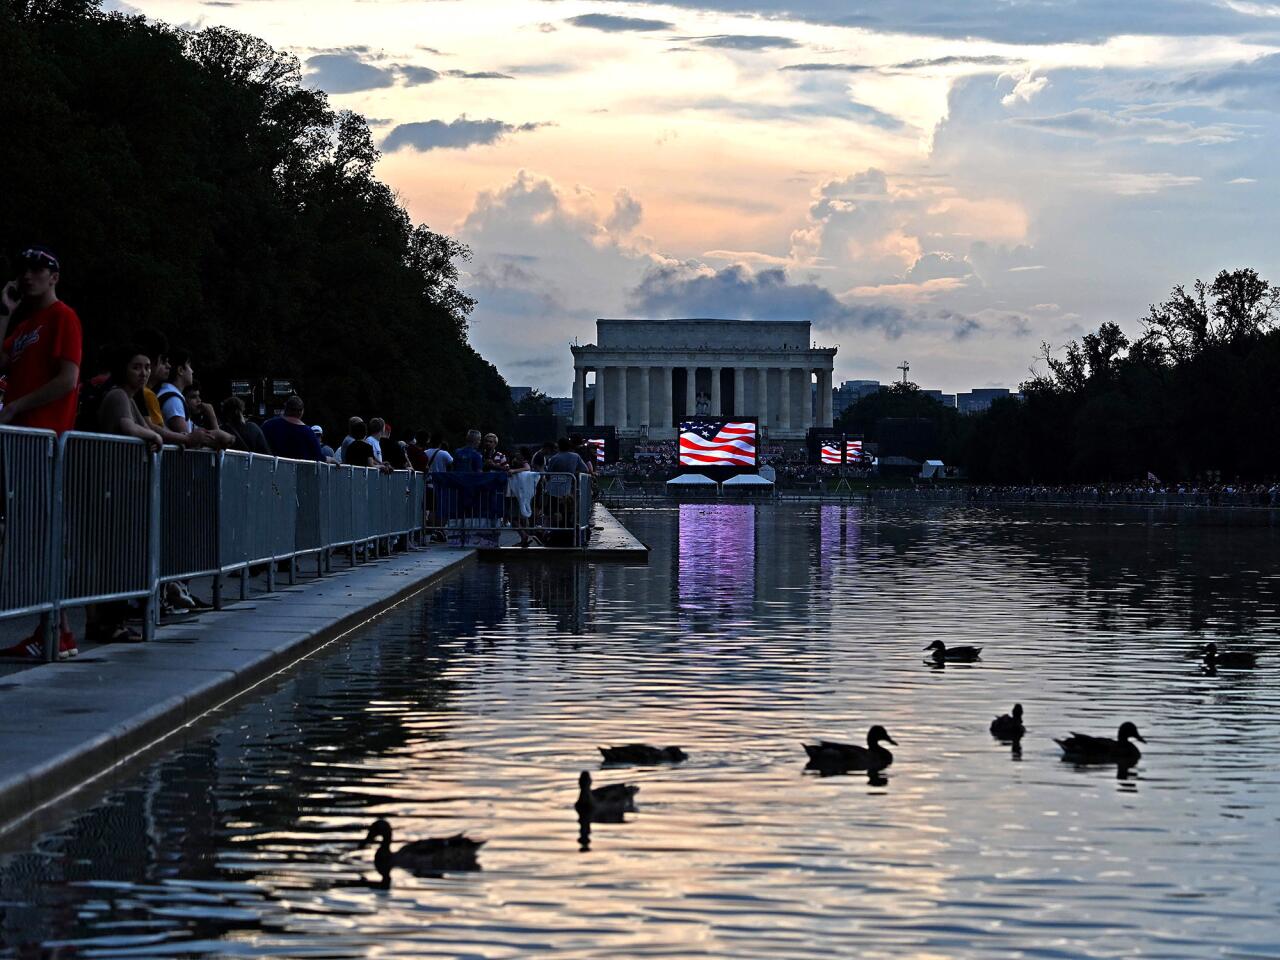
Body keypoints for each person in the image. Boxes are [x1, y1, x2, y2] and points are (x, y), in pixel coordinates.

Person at [0, 246, 80, 660]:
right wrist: (4, 311)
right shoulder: (25, 325)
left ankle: (58, 631)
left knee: (43, 537)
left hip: (45, 441)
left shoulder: (62, 317)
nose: (28, 276)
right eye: (23, 269)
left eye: (37, 269)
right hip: (22, 445)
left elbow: (68, 379)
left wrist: (17, 406)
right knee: (33, 538)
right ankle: (55, 630)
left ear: (54, 276)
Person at [88, 345, 164, 644]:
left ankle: (107, 621)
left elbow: (144, 425)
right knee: (113, 558)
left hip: (118, 488)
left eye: (147, 366)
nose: (144, 372)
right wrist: (154, 436)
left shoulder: (131, 399)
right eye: (137, 366)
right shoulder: (119, 396)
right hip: (108, 487)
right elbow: (129, 427)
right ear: (124, 369)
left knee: (115, 557)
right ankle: (109, 623)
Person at [156, 348, 232, 447]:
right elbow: (191, 441)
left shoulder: (172, 395)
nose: (192, 371)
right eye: (189, 366)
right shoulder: (173, 400)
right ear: (180, 370)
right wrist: (212, 417)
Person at [261, 395, 326, 461]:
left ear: (285, 408)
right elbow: (318, 457)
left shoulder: (268, 425)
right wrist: (328, 459)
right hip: (299, 470)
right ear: (302, 412)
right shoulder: (309, 433)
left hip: (270, 469)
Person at [506, 453, 541, 547]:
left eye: (516, 459)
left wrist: (513, 471)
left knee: (513, 517)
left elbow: (527, 468)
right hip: (518, 495)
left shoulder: (522, 466)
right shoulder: (514, 468)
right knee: (519, 518)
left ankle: (524, 536)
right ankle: (525, 537)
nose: (514, 460)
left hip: (519, 495)